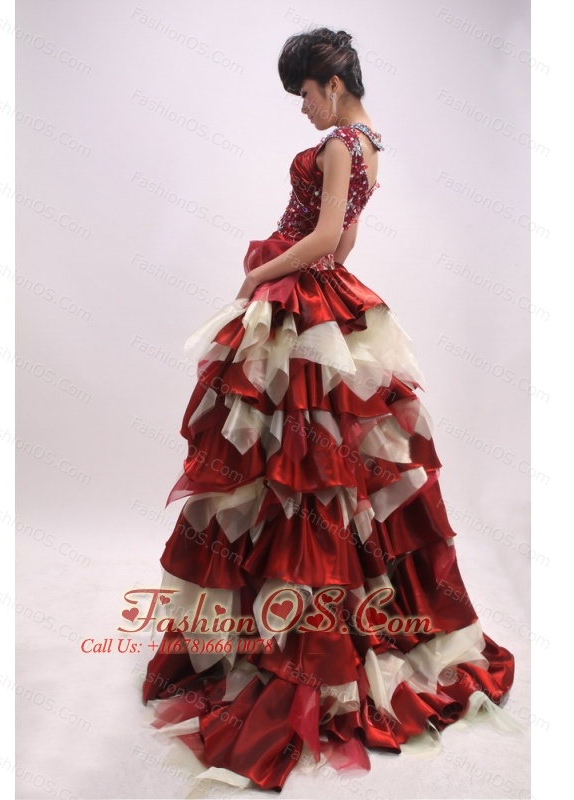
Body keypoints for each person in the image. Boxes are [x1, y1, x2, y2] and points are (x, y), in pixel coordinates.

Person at [140, 27, 517, 793]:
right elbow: (343, 248)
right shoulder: (373, 143)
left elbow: (319, 240)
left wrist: (259, 277)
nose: (303, 109)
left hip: (298, 294)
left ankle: (285, 641)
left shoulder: (343, 143)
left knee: (284, 467)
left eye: (305, 94)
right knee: (318, 469)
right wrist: (288, 268)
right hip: (322, 299)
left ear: (333, 84)